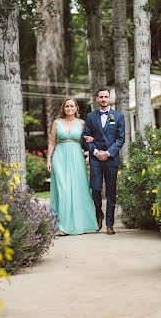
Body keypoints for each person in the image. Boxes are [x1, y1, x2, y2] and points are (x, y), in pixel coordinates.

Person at [46, 98, 98, 236]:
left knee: (77, 189)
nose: (69, 108)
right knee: (62, 189)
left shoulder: (82, 124)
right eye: (67, 106)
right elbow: (52, 143)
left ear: (76, 108)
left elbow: (89, 139)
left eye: (72, 106)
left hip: (76, 158)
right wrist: (48, 160)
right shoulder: (57, 123)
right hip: (59, 157)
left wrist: (93, 141)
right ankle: (62, 226)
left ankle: (81, 223)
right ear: (63, 108)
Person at [83, 89, 125, 235]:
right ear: (96, 99)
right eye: (101, 97)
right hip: (95, 159)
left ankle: (109, 224)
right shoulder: (90, 117)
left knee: (111, 192)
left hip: (111, 159)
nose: (103, 99)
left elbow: (121, 139)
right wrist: (95, 152)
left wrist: (107, 153)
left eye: (106, 97)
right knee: (95, 189)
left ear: (110, 98)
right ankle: (99, 213)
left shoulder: (118, 116)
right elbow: (86, 137)